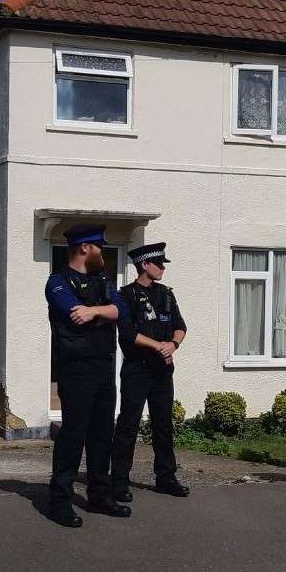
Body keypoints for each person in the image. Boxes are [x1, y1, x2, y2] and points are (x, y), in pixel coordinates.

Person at [45, 226, 131, 527]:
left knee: (101, 434)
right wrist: (103, 312)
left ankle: (99, 496)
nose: (102, 253)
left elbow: (121, 309)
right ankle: (59, 502)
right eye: (98, 247)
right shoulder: (58, 282)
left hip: (103, 367)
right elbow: (72, 312)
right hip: (76, 368)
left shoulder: (103, 281)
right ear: (84, 248)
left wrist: (95, 312)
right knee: (73, 434)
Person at [111, 242, 190, 502]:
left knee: (163, 425)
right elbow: (129, 335)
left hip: (162, 371)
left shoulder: (166, 294)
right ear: (145, 265)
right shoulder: (125, 296)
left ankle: (166, 477)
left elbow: (180, 326)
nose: (163, 268)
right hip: (137, 369)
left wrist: (173, 344)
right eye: (159, 263)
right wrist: (158, 345)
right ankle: (119, 481)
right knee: (128, 424)